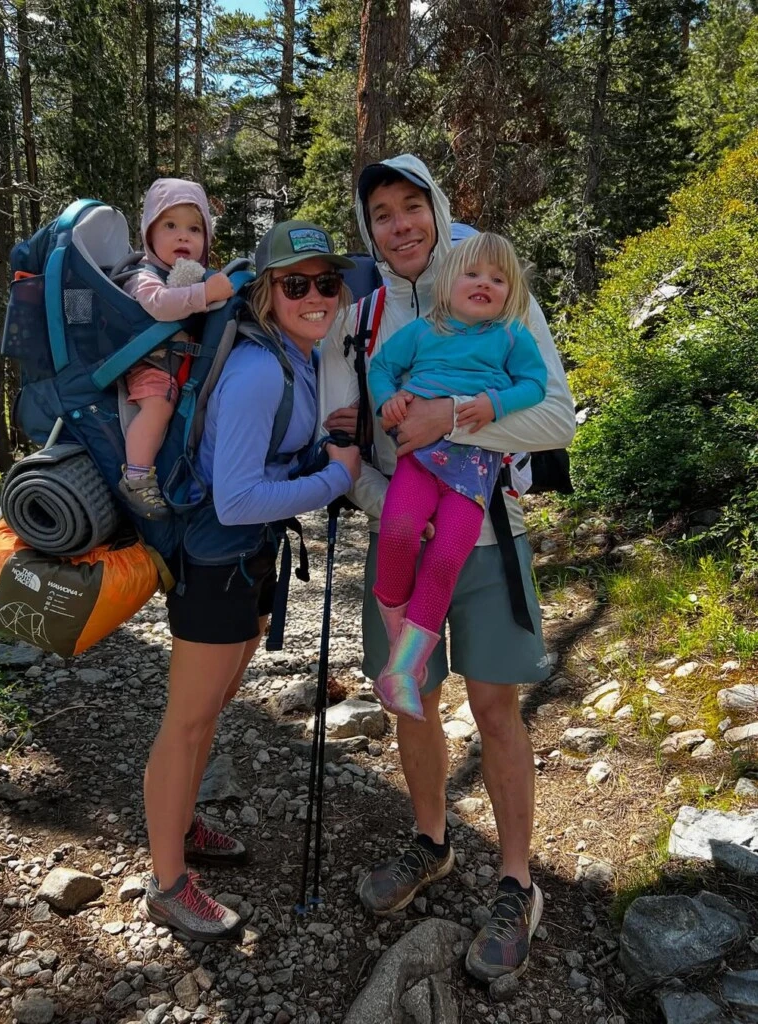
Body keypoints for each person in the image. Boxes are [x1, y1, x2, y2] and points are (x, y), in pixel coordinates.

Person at [319, 155, 576, 982]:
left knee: (496, 708)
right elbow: (344, 438)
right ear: (369, 230)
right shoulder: (355, 323)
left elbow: (554, 418)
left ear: (436, 209)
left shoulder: (496, 292)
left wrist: (450, 419)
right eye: (382, 214)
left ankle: (515, 881)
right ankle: (430, 841)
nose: (400, 225)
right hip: (400, 536)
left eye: (411, 206)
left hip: (488, 536)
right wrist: (374, 494)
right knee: (412, 700)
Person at [143, 220, 361, 942]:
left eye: (325, 282)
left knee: (212, 710)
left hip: (247, 558)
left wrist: (319, 452)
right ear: (266, 293)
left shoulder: (294, 358)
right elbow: (235, 496)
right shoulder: (259, 368)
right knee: (189, 721)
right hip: (215, 560)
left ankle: (180, 827)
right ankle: (167, 883)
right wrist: (335, 477)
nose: (314, 295)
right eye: (293, 283)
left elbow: (263, 471)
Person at [367, 232, 547, 721]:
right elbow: (381, 366)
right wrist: (388, 400)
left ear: (511, 293)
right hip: (419, 459)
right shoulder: (425, 330)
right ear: (447, 283)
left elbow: (535, 384)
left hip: (474, 472)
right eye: (472, 274)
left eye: (498, 278)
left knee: (445, 559)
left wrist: (494, 403)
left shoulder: (512, 335)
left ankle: (403, 669)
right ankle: (400, 647)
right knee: (400, 529)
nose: (484, 284)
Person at [119, 178, 235, 520]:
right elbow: (159, 305)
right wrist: (204, 295)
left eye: (194, 228)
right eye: (170, 225)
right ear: (149, 234)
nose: (183, 235)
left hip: (176, 366)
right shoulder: (144, 275)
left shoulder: (190, 275)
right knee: (157, 407)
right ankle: (137, 478)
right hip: (147, 364)